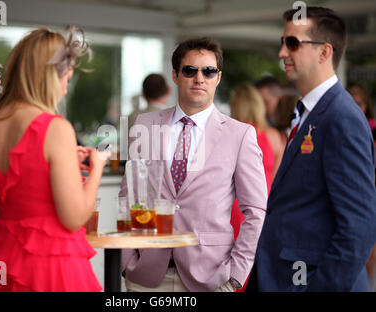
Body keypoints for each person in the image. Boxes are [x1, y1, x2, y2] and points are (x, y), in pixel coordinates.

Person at [0, 26, 111, 292]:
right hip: (52, 268)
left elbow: (0, 212)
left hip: (7, 266)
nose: (66, 89)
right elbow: (74, 217)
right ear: (49, 76)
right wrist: (98, 167)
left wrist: (61, 159)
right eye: (66, 78)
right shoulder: (55, 128)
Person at [121, 37, 268, 292]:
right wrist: (127, 262)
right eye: (190, 70)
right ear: (176, 75)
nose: (199, 78)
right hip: (146, 276)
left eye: (208, 71)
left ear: (218, 77)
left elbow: (255, 210)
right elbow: (129, 197)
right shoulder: (145, 125)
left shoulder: (240, 135)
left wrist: (235, 277)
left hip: (210, 278)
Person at [248, 6, 376, 292]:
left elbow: (358, 228)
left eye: (293, 43)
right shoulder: (311, 110)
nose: (282, 53)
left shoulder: (341, 117)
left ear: (324, 52)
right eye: (282, 43)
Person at [228, 84, 285, 292]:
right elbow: (278, 182)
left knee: (232, 266)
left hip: (233, 207)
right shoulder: (275, 137)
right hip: (263, 208)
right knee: (258, 267)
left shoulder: (230, 136)